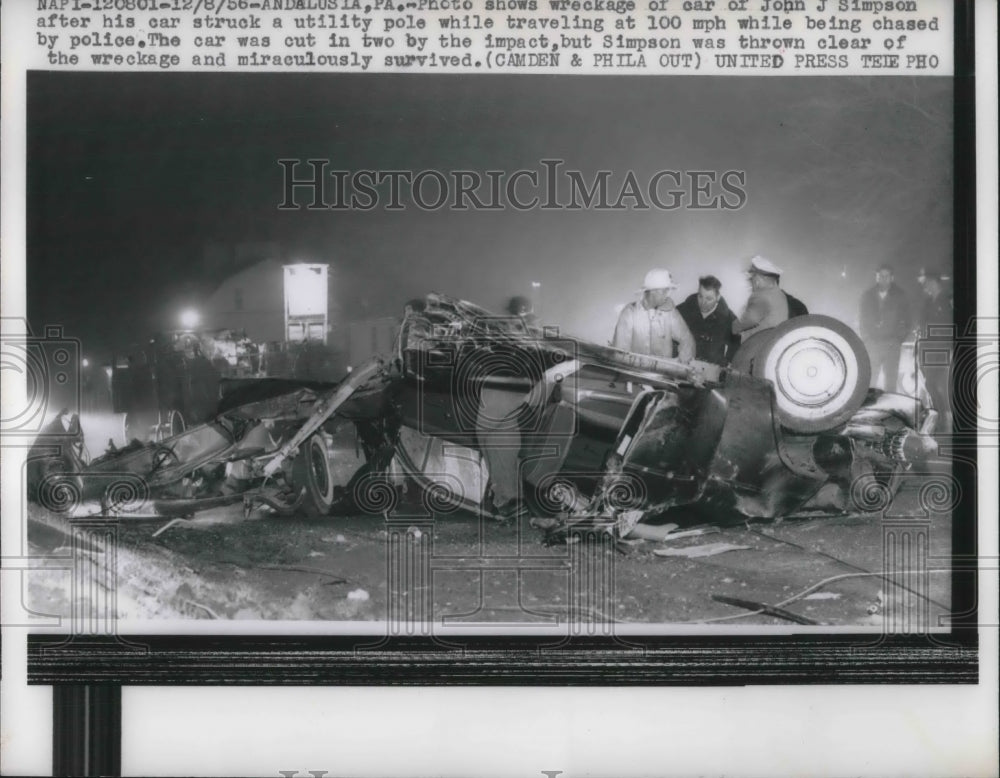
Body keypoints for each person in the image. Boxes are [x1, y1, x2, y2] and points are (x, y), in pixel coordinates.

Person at [612, 268, 695, 362]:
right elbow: (619, 353)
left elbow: (687, 339)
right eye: (664, 291)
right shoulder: (629, 313)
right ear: (652, 291)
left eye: (668, 291)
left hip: (663, 374)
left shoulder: (670, 313)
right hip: (633, 374)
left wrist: (681, 364)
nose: (668, 295)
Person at [858, 263, 911, 393]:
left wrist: (898, 340)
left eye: (887, 276)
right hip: (873, 345)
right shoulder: (867, 296)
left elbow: (907, 320)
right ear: (876, 277)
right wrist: (867, 339)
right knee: (870, 380)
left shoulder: (900, 296)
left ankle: (890, 410)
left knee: (891, 382)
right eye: (881, 276)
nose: (884, 279)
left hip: (892, 345)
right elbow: (862, 320)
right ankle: (869, 408)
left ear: (892, 278)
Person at [732, 255, 809, 341]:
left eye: (752, 278)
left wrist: (732, 327)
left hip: (758, 347)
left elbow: (749, 320)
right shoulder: (780, 296)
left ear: (758, 279)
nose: (752, 282)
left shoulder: (761, 296)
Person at [915, 268, 953, 430]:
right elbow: (923, 322)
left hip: (941, 348)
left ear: (935, 282)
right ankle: (940, 415)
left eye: (928, 283)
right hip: (929, 348)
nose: (926, 287)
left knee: (939, 384)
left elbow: (950, 325)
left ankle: (947, 417)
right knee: (930, 383)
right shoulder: (928, 302)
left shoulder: (947, 300)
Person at [676, 275, 742, 366]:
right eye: (700, 296)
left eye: (709, 299)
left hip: (711, 370)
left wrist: (726, 364)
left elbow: (735, 345)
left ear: (718, 297)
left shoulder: (729, 319)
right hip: (684, 365)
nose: (703, 303)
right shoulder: (683, 310)